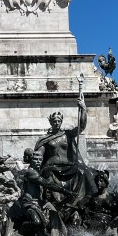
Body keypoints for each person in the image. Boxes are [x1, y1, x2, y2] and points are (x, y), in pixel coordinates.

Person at [32, 74, 97, 206]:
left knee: (84, 172)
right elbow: (39, 154)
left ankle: (86, 199)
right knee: (47, 174)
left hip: (68, 167)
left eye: (58, 121)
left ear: (61, 122)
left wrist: (83, 109)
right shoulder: (46, 139)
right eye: (54, 121)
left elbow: (81, 126)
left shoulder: (67, 134)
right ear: (51, 122)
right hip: (51, 168)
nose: (56, 123)